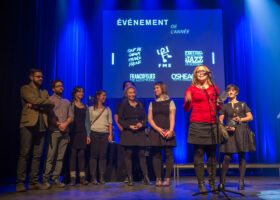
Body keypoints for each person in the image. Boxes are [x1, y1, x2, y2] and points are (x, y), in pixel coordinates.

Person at [183, 65, 221, 194]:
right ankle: (201, 184)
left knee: (212, 155)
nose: (200, 73)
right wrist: (188, 101)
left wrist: (219, 105)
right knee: (199, 153)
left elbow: (219, 107)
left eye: (202, 71)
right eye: (197, 71)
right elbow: (186, 108)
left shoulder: (214, 88)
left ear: (207, 74)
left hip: (212, 124)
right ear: (195, 75)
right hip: (198, 124)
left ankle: (212, 183)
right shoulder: (191, 89)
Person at [16, 69, 54, 192]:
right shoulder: (25, 88)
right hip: (28, 124)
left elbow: (50, 105)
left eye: (41, 77)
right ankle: (20, 182)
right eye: (38, 77)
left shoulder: (44, 91)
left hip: (42, 125)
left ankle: (33, 182)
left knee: (37, 155)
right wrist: (41, 103)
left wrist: (36, 105)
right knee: (25, 154)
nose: (40, 79)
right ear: (31, 77)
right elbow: (32, 100)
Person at [219, 84, 253, 190]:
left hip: (241, 132)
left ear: (236, 93)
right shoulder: (225, 106)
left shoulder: (242, 104)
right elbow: (220, 120)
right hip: (229, 133)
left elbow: (250, 117)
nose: (230, 92)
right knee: (227, 157)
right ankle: (222, 182)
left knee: (241, 156)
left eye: (232, 91)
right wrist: (226, 127)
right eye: (228, 91)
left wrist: (240, 119)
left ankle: (241, 181)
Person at [118, 84, 151, 186]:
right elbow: (120, 120)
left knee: (142, 155)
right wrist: (129, 126)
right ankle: (130, 178)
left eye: (133, 92)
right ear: (126, 94)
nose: (132, 94)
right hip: (128, 133)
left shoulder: (140, 103)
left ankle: (146, 177)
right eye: (130, 93)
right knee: (128, 155)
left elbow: (145, 118)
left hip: (139, 132)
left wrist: (141, 124)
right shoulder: (123, 104)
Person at [43, 80, 73, 188]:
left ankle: (55, 179)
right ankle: (46, 179)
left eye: (62, 85)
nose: (61, 87)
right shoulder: (49, 100)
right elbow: (48, 116)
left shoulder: (67, 102)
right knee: (50, 157)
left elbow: (71, 116)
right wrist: (58, 124)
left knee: (60, 158)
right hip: (53, 132)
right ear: (53, 89)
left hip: (64, 133)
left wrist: (64, 124)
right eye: (58, 86)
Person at [148, 81, 176, 187]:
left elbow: (172, 117)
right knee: (156, 155)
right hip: (156, 132)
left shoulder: (170, 102)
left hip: (168, 131)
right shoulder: (152, 103)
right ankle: (158, 178)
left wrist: (170, 130)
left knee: (169, 155)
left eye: (157, 88)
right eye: (154, 88)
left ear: (163, 89)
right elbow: (149, 119)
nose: (155, 90)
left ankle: (167, 179)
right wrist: (158, 129)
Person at [89, 90, 113, 185]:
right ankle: (93, 177)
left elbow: (110, 122)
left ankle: (101, 177)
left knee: (103, 156)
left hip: (104, 134)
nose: (104, 97)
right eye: (103, 95)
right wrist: (88, 135)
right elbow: (88, 123)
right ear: (98, 96)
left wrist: (110, 135)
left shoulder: (107, 109)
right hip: (94, 133)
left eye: (105, 95)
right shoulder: (91, 109)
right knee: (94, 155)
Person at [114, 80, 135, 183]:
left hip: (135, 133)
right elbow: (117, 117)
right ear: (124, 90)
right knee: (126, 154)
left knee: (134, 155)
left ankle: (134, 175)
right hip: (125, 132)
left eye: (131, 86)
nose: (129, 88)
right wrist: (120, 127)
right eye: (127, 86)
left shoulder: (137, 102)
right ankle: (127, 175)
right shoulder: (120, 102)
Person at [69, 87, 91, 186]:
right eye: (79, 91)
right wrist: (68, 134)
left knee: (81, 155)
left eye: (82, 91)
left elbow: (87, 122)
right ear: (74, 93)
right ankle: (72, 178)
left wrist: (88, 135)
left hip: (82, 133)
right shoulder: (71, 105)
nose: (81, 93)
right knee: (73, 156)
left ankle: (82, 178)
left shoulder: (85, 106)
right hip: (73, 133)